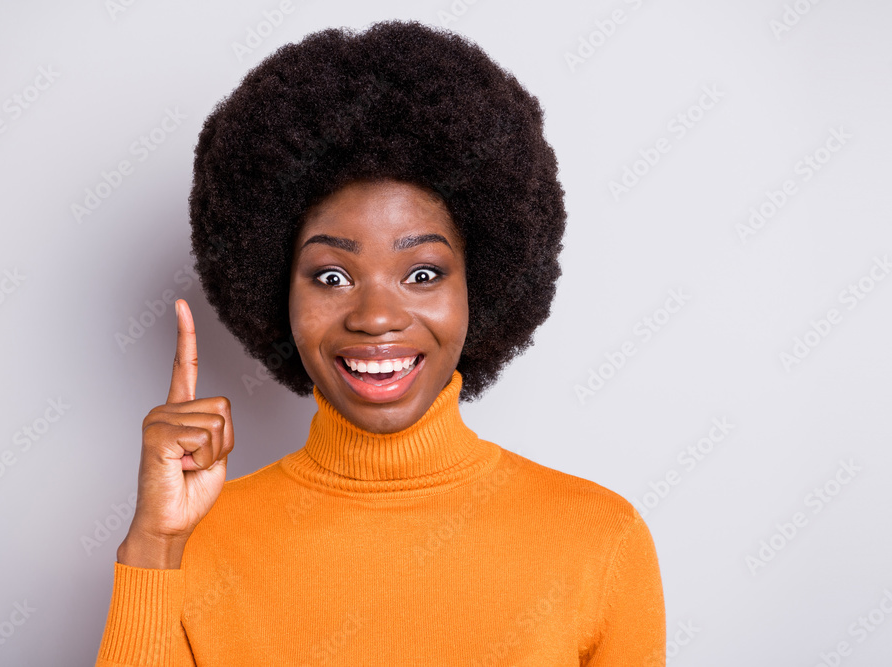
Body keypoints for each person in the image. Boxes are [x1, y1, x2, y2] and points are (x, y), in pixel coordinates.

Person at [95, 19, 665, 666]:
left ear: (480, 285)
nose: (375, 317)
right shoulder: (191, 540)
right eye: (332, 276)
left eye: (422, 274)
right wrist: (154, 544)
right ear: (276, 290)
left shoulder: (599, 540)